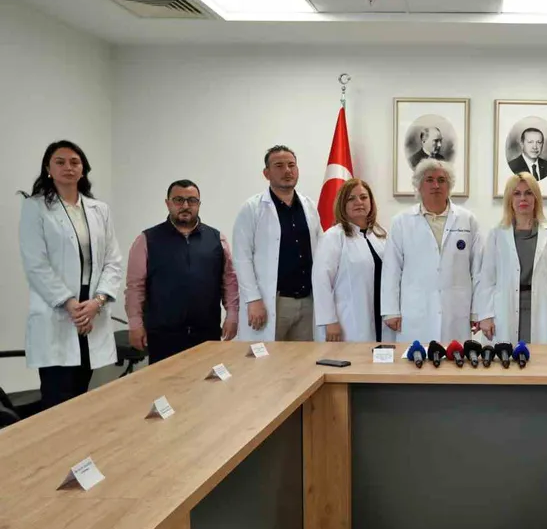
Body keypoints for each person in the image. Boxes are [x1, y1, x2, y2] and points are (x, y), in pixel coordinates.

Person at [18, 141, 123, 409]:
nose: (68, 167)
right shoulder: (35, 207)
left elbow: (113, 261)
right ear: (48, 168)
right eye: (60, 162)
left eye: (75, 162)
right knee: (57, 398)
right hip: (59, 308)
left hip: (92, 305)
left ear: (83, 169)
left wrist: (97, 302)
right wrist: (71, 304)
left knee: (82, 396)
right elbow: (36, 264)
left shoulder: (99, 210)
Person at [125, 180, 239, 363]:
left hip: (206, 334)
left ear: (199, 204)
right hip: (163, 336)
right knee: (164, 381)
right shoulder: (147, 240)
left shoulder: (217, 239)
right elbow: (135, 287)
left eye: (192, 200)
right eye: (178, 200)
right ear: (168, 203)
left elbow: (229, 281)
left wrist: (232, 315)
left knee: (207, 380)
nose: (185, 206)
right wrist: (135, 324)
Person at [382, 160, 483, 343]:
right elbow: (392, 269)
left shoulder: (468, 220)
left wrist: (477, 311)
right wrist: (391, 311)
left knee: (454, 357)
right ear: (419, 185)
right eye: (429, 180)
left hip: (456, 310)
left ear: (449, 186)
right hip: (415, 310)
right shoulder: (401, 222)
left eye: (441, 180)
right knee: (415, 357)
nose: (436, 185)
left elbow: (478, 270)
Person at [232, 145, 321, 342]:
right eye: (279, 166)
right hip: (272, 302)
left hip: (307, 302)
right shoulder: (252, 208)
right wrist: (253, 299)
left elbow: (321, 252)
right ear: (266, 173)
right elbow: (241, 258)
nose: (287, 171)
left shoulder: (309, 206)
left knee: (304, 359)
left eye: (291, 165)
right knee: (266, 358)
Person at [479, 173, 547, 344]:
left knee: (537, 357)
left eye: (528, 193)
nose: (523, 198)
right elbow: (487, 278)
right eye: (517, 193)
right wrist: (485, 315)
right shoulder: (497, 232)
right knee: (505, 355)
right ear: (509, 199)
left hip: (539, 305)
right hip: (504, 307)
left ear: (536, 198)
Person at [312, 178, 395, 343]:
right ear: (342, 204)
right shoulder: (333, 237)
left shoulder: (381, 235)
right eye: (351, 198)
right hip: (348, 320)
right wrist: (329, 320)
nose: (359, 202)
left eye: (363, 197)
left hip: (382, 317)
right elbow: (321, 281)